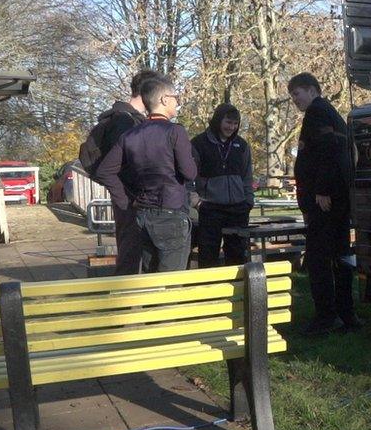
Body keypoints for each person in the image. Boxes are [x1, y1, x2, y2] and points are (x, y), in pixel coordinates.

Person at [95, 75, 197, 273]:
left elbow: (104, 172)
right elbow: (190, 173)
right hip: (171, 213)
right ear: (164, 100)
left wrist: (125, 200)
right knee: (172, 281)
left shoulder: (130, 135)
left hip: (142, 216)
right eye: (176, 98)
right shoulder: (175, 132)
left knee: (149, 277)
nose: (178, 103)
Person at [289, 72, 360, 335]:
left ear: (310, 90)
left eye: (296, 93)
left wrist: (322, 189)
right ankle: (346, 314)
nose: (294, 99)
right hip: (338, 199)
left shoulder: (317, 113)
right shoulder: (330, 112)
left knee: (319, 260)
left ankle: (325, 317)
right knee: (341, 256)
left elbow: (331, 150)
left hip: (325, 201)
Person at [94, 69, 160, 275]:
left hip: (132, 199)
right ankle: (122, 303)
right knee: (130, 258)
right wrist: (126, 198)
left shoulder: (130, 120)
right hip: (131, 201)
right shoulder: (126, 122)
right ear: (147, 92)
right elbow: (115, 168)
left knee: (136, 256)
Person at [191, 103, 254, 267]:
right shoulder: (198, 144)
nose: (231, 127)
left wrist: (248, 200)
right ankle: (210, 290)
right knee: (208, 254)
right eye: (228, 122)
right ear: (218, 120)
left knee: (238, 254)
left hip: (238, 209)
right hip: (210, 208)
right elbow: (188, 176)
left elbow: (247, 176)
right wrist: (196, 201)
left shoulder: (242, 145)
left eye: (235, 124)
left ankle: (238, 289)